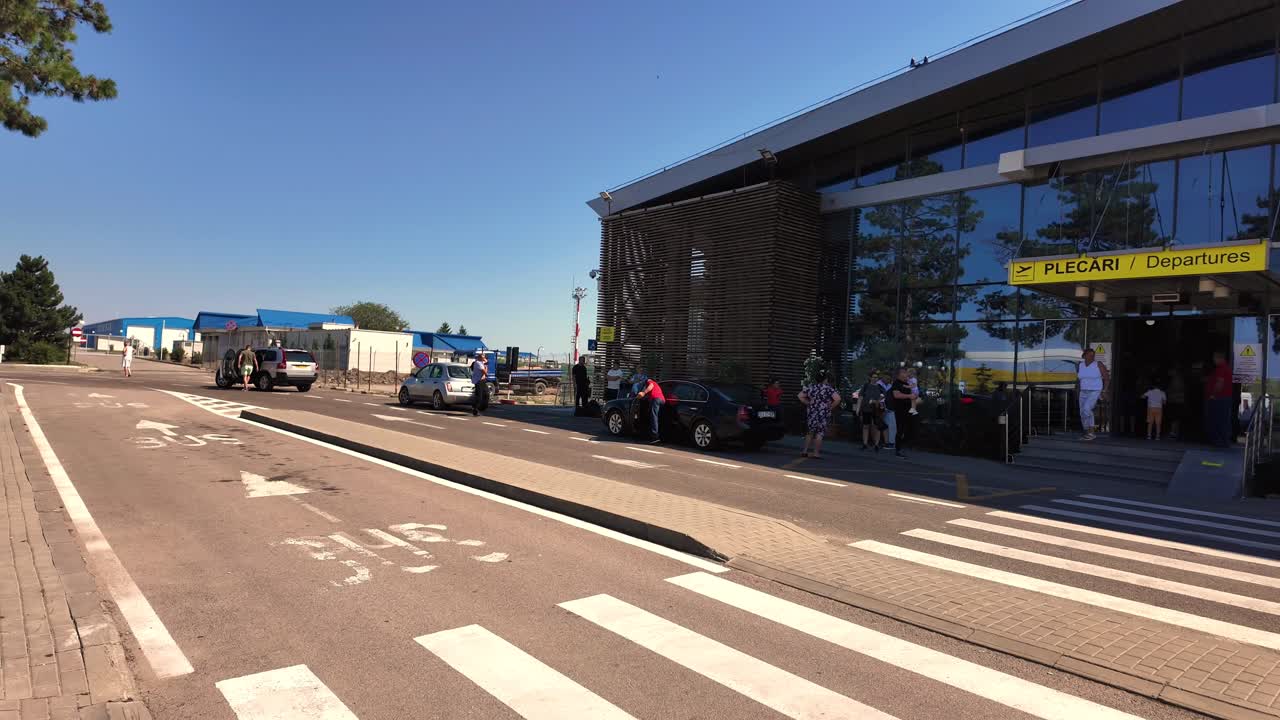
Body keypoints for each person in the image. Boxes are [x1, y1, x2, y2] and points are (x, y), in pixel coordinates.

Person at [799, 371, 841, 459]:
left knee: (810, 432)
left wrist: (808, 403)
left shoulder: (811, 387)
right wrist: (830, 407)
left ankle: (805, 451)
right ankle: (816, 453)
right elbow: (837, 399)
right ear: (825, 379)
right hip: (823, 413)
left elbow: (800, 396)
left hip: (812, 412)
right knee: (820, 433)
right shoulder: (828, 388)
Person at [1076, 347, 1109, 441]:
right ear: (1085, 356)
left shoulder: (1098, 364)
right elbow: (1079, 380)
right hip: (1083, 391)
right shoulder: (1080, 365)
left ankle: (1091, 432)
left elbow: (1106, 378)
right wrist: (1077, 390)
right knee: (1082, 412)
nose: (1092, 357)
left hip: (1095, 390)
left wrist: (1104, 391)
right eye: (1090, 355)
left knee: (1087, 409)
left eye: (1093, 355)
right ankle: (1086, 431)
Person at [1205, 351, 1232, 447]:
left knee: (1218, 419)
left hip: (1220, 398)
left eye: (1214, 358)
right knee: (1223, 419)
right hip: (1224, 398)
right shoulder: (1225, 368)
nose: (1214, 360)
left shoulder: (1221, 368)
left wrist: (1213, 394)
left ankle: (1219, 441)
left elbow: (1220, 383)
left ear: (1220, 358)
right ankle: (1223, 441)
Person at [889, 367, 914, 458]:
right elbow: (896, 395)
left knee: (907, 429)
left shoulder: (907, 383)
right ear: (899, 374)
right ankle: (898, 450)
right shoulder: (896, 383)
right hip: (900, 410)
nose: (906, 374)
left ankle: (904, 448)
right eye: (904, 372)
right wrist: (909, 396)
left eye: (906, 372)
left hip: (908, 409)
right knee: (900, 429)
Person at [858, 371, 885, 452]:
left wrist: (877, 401)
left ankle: (876, 444)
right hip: (866, 409)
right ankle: (865, 444)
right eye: (873, 377)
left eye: (876, 377)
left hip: (876, 410)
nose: (875, 378)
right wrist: (858, 408)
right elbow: (860, 397)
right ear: (870, 378)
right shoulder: (866, 386)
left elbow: (884, 396)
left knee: (877, 426)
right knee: (866, 426)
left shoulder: (880, 387)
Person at [634, 374, 665, 444]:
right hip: (662, 400)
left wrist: (643, 392)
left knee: (653, 417)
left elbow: (651, 386)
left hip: (656, 399)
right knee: (656, 416)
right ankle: (654, 434)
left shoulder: (650, 382)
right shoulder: (657, 386)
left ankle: (655, 436)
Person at [877, 372, 896, 449]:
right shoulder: (878, 385)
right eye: (887, 378)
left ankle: (888, 442)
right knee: (881, 425)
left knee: (888, 426)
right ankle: (881, 442)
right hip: (880, 408)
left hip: (889, 409)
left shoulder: (890, 386)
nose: (888, 380)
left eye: (889, 378)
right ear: (882, 377)